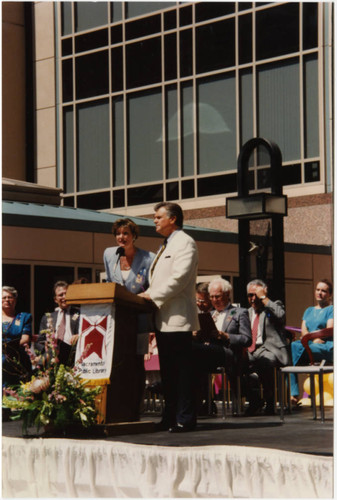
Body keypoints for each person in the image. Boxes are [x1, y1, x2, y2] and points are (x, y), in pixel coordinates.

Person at [139, 202, 199, 433]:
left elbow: (180, 278)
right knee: (169, 374)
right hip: (163, 318)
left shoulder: (185, 243)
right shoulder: (166, 244)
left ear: (172, 219)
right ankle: (170, 416)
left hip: (177, 318)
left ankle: (185, 418)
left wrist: (151, 295)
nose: (154, 220)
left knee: (181, 372)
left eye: (158, 216)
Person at [103, 218, 155, 414]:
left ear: (134, 236)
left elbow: (153, 286)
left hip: (139, 317)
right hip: (116, 318)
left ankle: (135, 406)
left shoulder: (149, 258)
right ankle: (117, 405)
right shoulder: (110, 254)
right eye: (118, 233)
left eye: (126, 233)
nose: (121, 237)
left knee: (135, 363)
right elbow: (110, 282)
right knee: (117, 360)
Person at [193, 278, 251, 389]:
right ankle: (205, 400)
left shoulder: (239, 312)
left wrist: (226, 336)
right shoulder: (209, 314)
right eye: (212, 297)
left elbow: (247, 339)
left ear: (227, 294)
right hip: (210, 351)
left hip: (228, 352)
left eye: (218, 296)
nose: (214, 300)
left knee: (194, 351)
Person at [245, 279, 289, 416]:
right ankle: (255, 399)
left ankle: (270, 401)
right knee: (235, 363)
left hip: (270, 349)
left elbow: (281, 315)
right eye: (250, 295)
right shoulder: (246, 312)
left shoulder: (274, 306)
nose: (253, 299)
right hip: (250, 349)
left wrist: (264, 298)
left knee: (265, 361)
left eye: (256, 295)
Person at [290, 279, 333, 405]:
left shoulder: (331, 309)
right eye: (318, 289)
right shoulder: (308, 310)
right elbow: (304, 330)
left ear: (330, 294)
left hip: (325, 346)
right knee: (292, 346)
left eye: (324, 291)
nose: (320, 293)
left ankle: (293, 394)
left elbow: (329, 330)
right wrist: (312, 339)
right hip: (310, 344)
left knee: (292, 352)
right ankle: (293, 393)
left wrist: (311, 338)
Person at [35, 281, 80, 366]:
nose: (64, 297)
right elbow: (40, 341)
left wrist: (79, 335)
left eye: (66, 294)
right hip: (52, 358)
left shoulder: (79, 313)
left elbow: (86, 332)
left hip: (73, 356)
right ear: (55, 299)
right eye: (60, 295)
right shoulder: (48, 317)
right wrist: (46, 354)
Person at [2, 286, 32, 387]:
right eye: (4, 297)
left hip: (18, 358)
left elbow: (25, 338)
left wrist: (9, 347)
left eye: (10, 297)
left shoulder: (24, 317)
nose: (7, 300)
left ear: (15, 300)